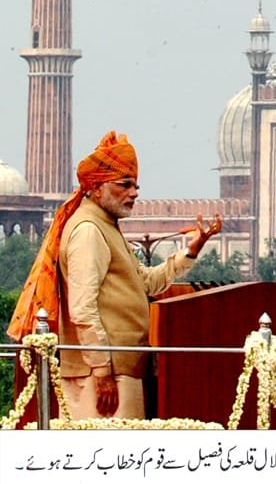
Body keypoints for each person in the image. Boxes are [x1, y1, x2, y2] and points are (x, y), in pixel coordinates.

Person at [9, 131, 222, 420]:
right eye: (124, 185)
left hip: (118, 370)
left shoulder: (107, 226)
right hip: (99, 376)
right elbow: (82, 310)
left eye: (135, 185)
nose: (134, 193)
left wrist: (191, 251)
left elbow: (145, 283)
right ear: (96, 188)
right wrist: (101, 371)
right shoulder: (88, 230)